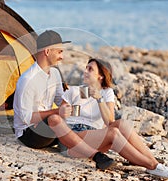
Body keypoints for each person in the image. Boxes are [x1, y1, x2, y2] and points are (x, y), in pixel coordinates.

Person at [50, 58, 168, 178]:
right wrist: (65, 111)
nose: (85, 71)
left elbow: (109, 121)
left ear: (101, 76)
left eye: (90, 69)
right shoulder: (74, 91)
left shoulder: (106, 93)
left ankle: (151, 160)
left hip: (94, 137)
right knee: (114, 133)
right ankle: (153, 166)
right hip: (73, 138)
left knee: (121, 124)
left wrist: (99, 99)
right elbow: (61, 116)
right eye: (86, 68)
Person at [13, 30, 115, 170]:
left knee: (78, 125)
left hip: (51, 129)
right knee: (56, 119)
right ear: (47, 51)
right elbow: (26, 118)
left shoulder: (54, 73)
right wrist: (57, 111)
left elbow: (62, 98)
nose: (62, 56)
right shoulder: (28, 80)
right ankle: (96, 156)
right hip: (29, 133)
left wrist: (90, 94)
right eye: (59, 52)